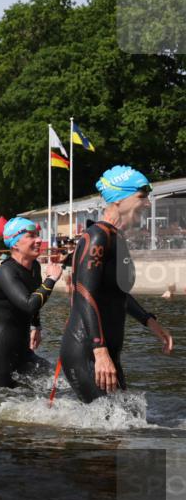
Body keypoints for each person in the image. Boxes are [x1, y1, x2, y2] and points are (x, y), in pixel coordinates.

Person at [60, 166, 173, 402]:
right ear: (119, 199)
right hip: (88, 350)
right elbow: (84, 293)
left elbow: (116, 293)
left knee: (123, 427)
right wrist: (99, 351)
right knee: (110, 432)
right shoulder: (98, 236)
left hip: (105, 350)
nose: (148, 204)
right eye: (141, 197)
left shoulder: (115, 238)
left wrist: (149, 321)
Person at [0, 217, 62, 387]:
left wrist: (36, 326)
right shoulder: (6, 272)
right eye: (31, 236)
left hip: (21, 351)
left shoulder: (34, 267)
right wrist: (51, 279)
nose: (38, 240)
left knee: (54, 382)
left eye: (38, 235)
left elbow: (34, 297)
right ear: (15, 244)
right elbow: (29, 303)